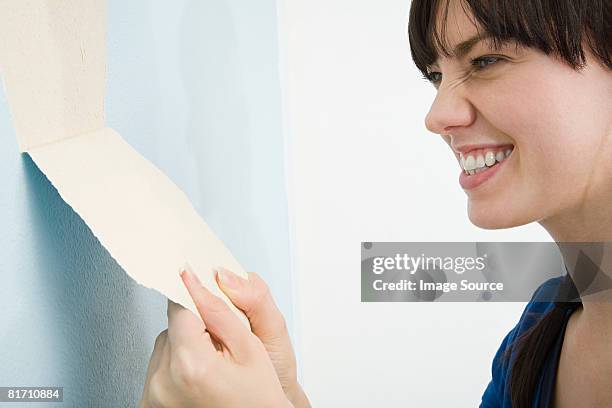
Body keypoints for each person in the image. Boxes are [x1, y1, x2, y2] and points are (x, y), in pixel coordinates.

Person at [139, 0, 612, 406]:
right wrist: (282, 395)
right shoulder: (538, 334)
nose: (438, 115)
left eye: (486, 60)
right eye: (435, 75)